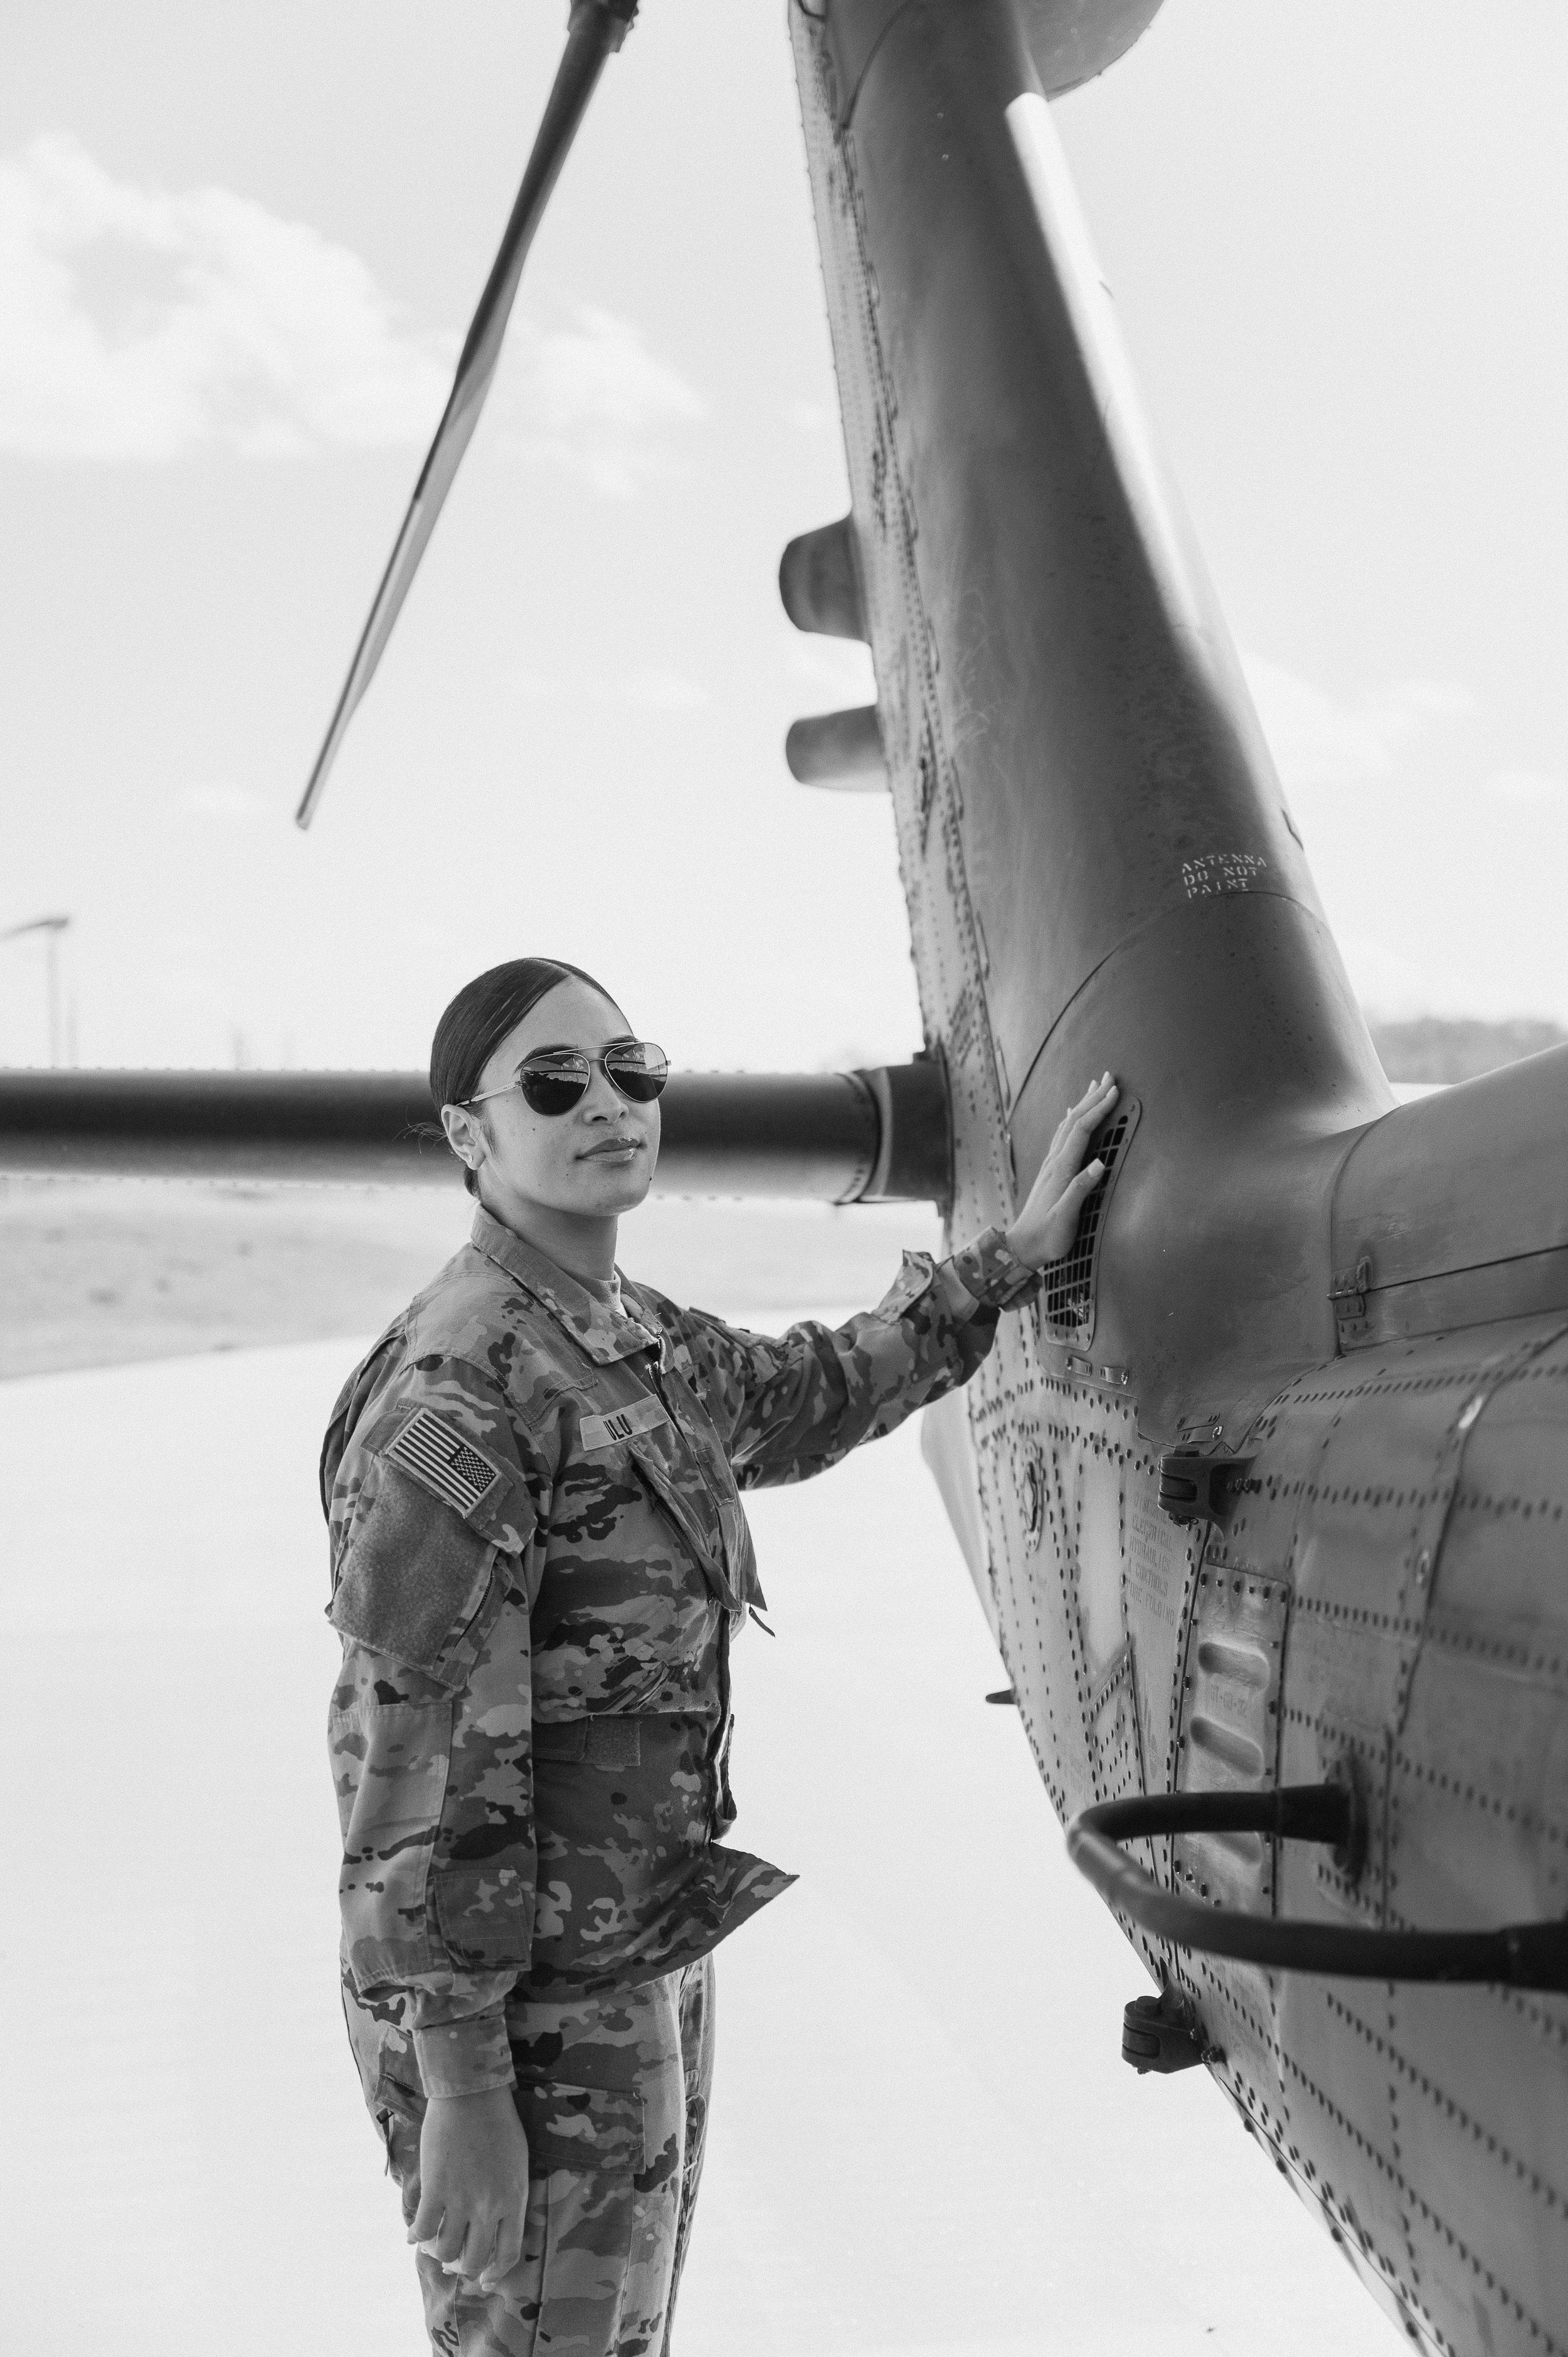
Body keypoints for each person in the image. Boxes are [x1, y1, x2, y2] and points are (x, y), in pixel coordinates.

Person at [321, 954, 1118, 2356]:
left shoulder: (618, 1333)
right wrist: (462, 2086)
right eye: (553, 1084)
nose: (607, 1104)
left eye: (632, 1070)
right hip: (519, 2015)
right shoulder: (457, 1391)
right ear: (467, 1135)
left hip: (627, 1956)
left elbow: (807, 1391)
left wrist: (1008, 1258)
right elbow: (411, 1767)